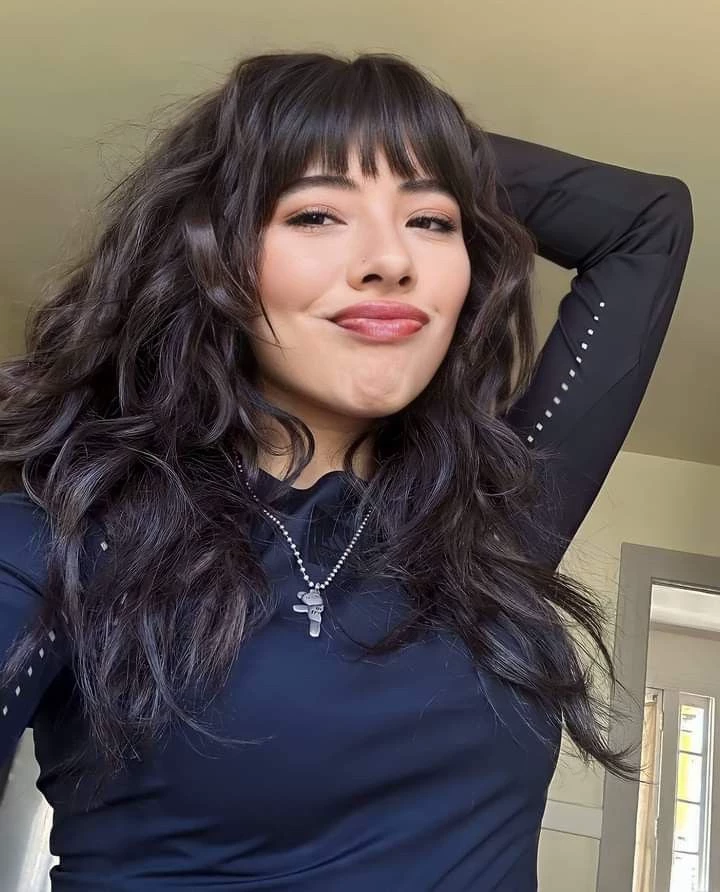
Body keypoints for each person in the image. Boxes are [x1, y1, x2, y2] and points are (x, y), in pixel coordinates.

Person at [0, 51, 692, 890]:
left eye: (431, 220)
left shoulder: (486, 528)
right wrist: (266, 149)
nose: (390, 259)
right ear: (212, 251)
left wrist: (407, 141)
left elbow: (646, 222)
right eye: (318, 213)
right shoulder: (66, 537)